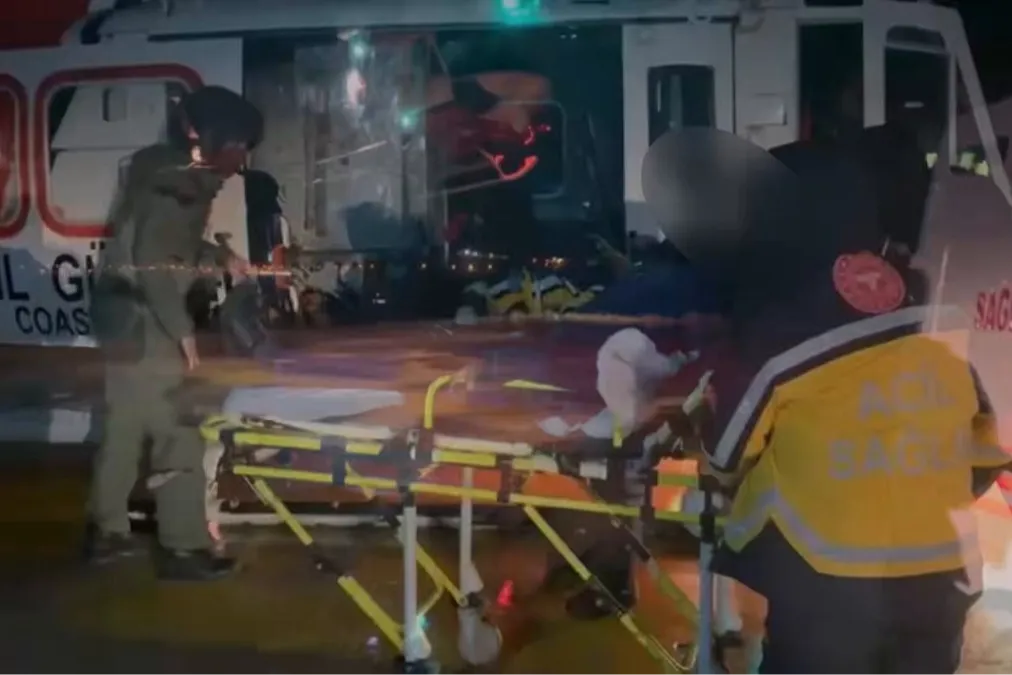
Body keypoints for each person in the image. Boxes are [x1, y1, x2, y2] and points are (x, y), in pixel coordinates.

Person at [699, 129, 1012, 675]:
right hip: (942, 577)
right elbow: (991, 442)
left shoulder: (772, 335)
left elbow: (725, 454)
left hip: (825, 587)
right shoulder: (947, 318)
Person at [85, 85, 262, 581]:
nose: (242, 160)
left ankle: (106, 531)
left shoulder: (164, 172)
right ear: (210, 137)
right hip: (146, 318)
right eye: (240, 145)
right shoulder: (180, 183)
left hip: (121, 314)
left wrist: (220, 256)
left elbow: (169, 244)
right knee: (178, 430)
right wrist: (183, 334)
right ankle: (182, 547)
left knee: (125, 426)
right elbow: (156, 263)